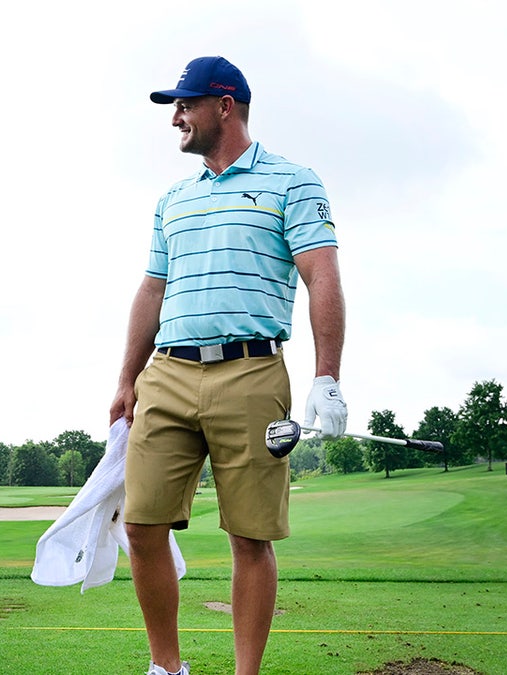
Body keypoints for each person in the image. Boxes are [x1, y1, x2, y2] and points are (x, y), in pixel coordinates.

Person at [109, 57, 347, 675]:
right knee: (141, 523)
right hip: (166, 372)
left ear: (224, 104)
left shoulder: (293, 181)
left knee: (249, 536)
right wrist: (125, 378)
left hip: (251, 371)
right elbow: (152, 291)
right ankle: (167, 668)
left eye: (184, 105)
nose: (175, 118)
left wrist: (327, 377)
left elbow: (321, 275)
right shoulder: (172, 199)